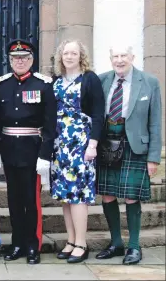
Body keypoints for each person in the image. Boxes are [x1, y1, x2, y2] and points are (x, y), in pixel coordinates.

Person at [96, 44, 162, 265]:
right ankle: (116, 243)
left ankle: (134, 246)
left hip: (134, 146)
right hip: (107, 145)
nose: (120, 60)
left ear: (133, 57)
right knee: (107, 194)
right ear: (110, 58)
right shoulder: (102, 79)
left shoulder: (149, 82)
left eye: (124, 55)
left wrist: (154, 157)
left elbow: (155, 122)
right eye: (116, 56)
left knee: (132, 196)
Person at [0, 39, 57, 264]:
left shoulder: (44, 85)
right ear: (9, 61)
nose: (19, 61)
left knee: (32, 200)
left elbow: (50, 125)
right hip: (10, 150)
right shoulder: (0, 84)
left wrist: (45, 155)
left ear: (32, 60)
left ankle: (32, 245)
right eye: (15, 58)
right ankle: (17, 243)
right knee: (14, 200)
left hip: (33, 151)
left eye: (24, 57)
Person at [50, 39, 105, 263]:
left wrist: (93, 145)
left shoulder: (90, 79)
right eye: (65, 53)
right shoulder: (56, 80)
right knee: (65, 195)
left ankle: (82, 243)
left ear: (81, 55)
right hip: (60, 144)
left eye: (73, 53)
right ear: (60, 57)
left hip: (80, 144)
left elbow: (99, 114)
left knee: (79, 195)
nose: (69, 57)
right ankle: (70, 240)